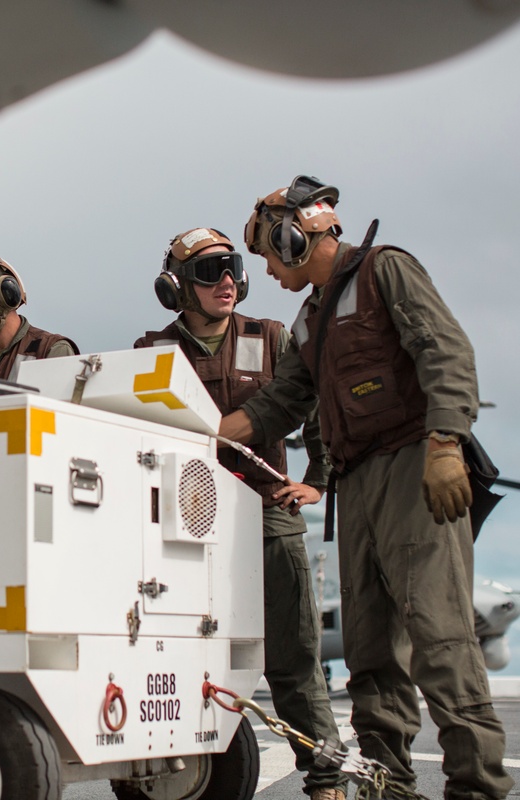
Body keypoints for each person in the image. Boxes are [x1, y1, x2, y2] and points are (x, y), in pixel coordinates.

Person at [221, 176, 513, 800]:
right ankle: (389, 784)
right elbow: (280, 402)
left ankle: (476, 787)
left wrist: (444, 446)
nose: (266, 271)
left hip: (414, 469)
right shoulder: (310, 321)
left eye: (269, 254)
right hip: (354, 487)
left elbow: (445, 352)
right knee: (371, 651)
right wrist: (203, 433)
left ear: (294, 236)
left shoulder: (386, 272)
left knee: (437, 634)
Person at [135, 227, 347, 800]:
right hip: (184, 522)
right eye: (209, 272)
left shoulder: (273, 337)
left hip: (264, 510)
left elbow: (318, 404)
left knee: (295, 654)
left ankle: (325, 780)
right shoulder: (154, 351)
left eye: (231, 267)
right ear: (177, 286)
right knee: (172, 647)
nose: (226, 280)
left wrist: (316, 481)